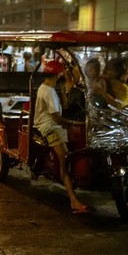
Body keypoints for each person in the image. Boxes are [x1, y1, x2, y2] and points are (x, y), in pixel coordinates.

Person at [34, 60, 90, 214]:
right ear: (57, 75)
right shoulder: (49, 92)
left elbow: (63, 108)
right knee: (65, 159)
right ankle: (73, 201)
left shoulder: (47, 88)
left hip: (53, 125)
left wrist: (65, 89)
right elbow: (57, 118)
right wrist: (72, 122)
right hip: (51, 128)